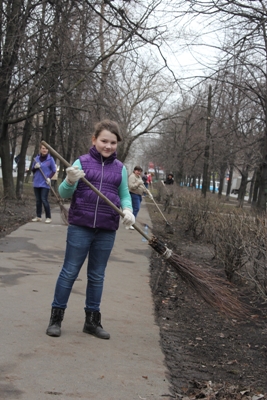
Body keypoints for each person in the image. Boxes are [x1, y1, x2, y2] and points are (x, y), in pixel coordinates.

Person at [46, 120, 135, 340]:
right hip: (80, 227)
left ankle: (92, 322)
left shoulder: (121, 169)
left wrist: (128, 209)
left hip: (106, 229)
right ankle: (56, 319)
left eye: (113, 142)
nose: (108, 146)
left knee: (97, 276)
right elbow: (64, 193)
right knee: (69, 272)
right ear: (94, 140)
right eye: (104, 141)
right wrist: (69, 179)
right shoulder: (82, 162)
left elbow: (124, 194)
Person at [32, 144, 57, 224]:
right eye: (43, 148)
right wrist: (35, 167)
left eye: (46, 148)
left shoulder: (50, 159)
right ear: (40, 149)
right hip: (37, 182)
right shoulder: (36, 159)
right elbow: (33, 170)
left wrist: (49, 178)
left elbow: (54, 170)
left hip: (45, 183)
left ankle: (48, 217)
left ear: (48, 150)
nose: (44, 150)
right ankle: (38, 216)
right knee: (38, 200)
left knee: (44, 199)